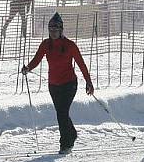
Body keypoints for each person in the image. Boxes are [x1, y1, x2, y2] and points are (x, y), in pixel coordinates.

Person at [21, 13, 94, 154]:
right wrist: (28, 68)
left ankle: (65, 144)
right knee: (62, 113)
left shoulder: (70, 45)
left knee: (62, 113)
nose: (53, 32)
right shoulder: (46, 44)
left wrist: (88, 82)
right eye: (51, 29)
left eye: (55, 29)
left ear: (61, 30)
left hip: (69, 84)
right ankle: (72, 133)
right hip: (53, 85)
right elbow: (36, 59)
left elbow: (81, 64)